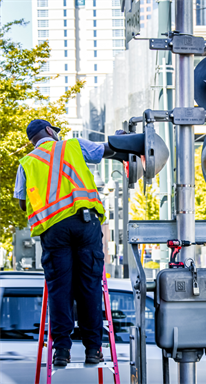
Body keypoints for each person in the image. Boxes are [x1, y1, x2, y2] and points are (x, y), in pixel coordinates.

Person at [14, 119, 118, 366]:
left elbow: (21, 201)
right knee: (89, 286)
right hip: (85, 223)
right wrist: (122, 139)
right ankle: (93, 349)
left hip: (53, 230)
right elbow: (105, 150)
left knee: (60, 290)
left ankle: (61, 351)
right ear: (50, 131)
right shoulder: (72, 145)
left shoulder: (26, 163)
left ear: (33, 140)